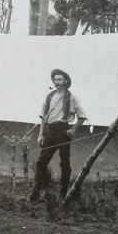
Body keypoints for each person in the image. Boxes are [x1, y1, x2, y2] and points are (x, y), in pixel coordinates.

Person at [29, 68, 87, 220]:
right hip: (49, 131)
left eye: (60, 80)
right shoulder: (49, 97)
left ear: (66, 81)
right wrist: (41, 134)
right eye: (55, 80)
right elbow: (43, 118)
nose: (57, 82)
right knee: (41, 161)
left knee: (65, 163)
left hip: (63, 130)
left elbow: (82, 117)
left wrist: (73, 130)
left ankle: (63, 194)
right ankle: (34, 192)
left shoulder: (71, 98)